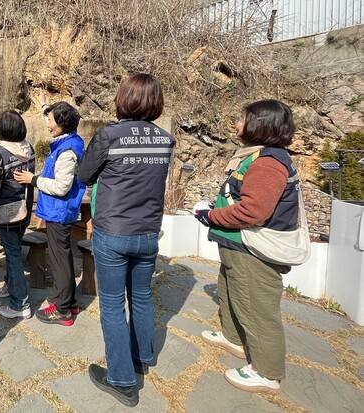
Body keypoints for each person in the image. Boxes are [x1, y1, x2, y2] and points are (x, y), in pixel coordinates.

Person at [77, 73, 174, 407]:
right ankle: (141, 357)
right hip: (148, 233)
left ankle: (121, 380)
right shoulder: (165, 140)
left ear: (123, 99)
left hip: (113, 233)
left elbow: (84, 174)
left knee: (112, 305)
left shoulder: (109, 135)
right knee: (142, 296)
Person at [194, 99, 297, 394]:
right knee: (231, 292)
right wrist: (215, 207)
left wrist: (211, 216)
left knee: (256, 307)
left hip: (252, 249)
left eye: (243, 119)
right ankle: (233, 337)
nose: (237, 124)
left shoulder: (269, 163)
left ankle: (266, 372)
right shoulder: (255, 156)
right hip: (236, 245)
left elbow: (253, 211)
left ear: (260, 125)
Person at [14, 101, 85, 326]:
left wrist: (33, 180)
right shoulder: (66, 142)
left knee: (59, 261)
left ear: (62, 124)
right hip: (58, 211)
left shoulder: (67, 151)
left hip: (59, 211)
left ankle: (62, 310)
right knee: (63, 257)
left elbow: (61, 187)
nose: (48, 124)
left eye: (51, 120)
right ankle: (70, 302)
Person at [0, 110, 36, 320]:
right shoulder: (29, 149)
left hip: (7, 211)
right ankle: (10, 285)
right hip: (25, 209)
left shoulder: (0, 153)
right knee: (14, 250)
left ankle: (20, 304)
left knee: (13, 255)